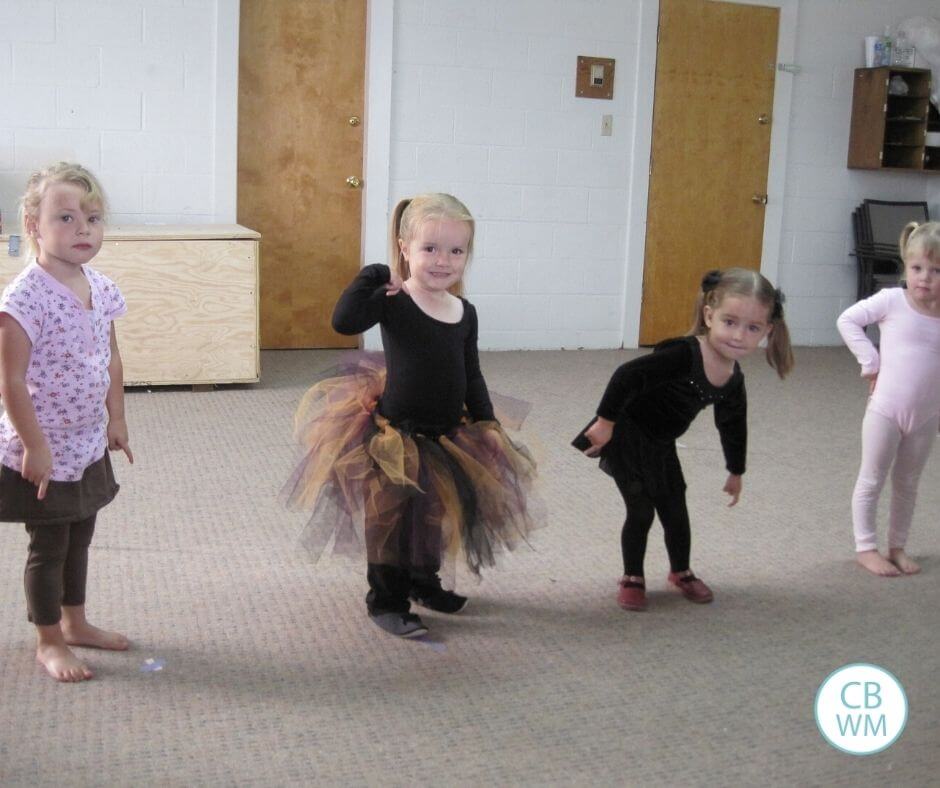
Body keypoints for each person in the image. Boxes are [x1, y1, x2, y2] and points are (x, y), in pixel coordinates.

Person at [282, 193, 539, 638]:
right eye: (430, 249)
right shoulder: (395, 299)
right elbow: (344, 321)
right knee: (390, 520)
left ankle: (424, 582)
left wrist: (487, 423)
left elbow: (471, 373)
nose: (443, 261)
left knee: (434, 515)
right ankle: (386, 599)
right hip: (394, 435)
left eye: (456, 251)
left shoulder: (465, 312)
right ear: (404, 248)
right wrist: (378, 274)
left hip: (448, 437)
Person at [577, 268, 793, 611]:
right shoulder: (683, 355)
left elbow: (733, 424)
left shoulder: (733, 380)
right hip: (628, 435)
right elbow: (626, 376)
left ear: (767, 331)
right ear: (709, 315)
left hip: (661, 443)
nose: (739, 336)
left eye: (752, 328)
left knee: (675, 507)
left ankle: (681, 571)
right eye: (730, 322)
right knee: (641, 509)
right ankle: (632, 576)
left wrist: (735, 471)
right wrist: (606, 422)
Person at [0, 163, 132, 681]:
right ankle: (49, 639)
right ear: (33, 225)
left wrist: (115, 419)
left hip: (86, 441)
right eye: (66, 217)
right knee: (50, 544)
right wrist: (34, 446)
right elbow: (10, 382)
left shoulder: (100, 287)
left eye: (93, 218)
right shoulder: (23, 300)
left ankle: (76, 622)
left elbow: (112, 358)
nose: (84, 229)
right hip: (44, 446)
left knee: (81, 534)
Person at [837, 221, 940, 577]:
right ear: (906, 267)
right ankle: (866, 547)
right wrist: (871, 361)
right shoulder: (892, 301)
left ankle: (898, 546)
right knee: (872, 478)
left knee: (908, 483)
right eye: (916, 268)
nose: (925, 277)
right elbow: (848, 320)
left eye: (936, 270)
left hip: (927, 417)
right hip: (885, 410)